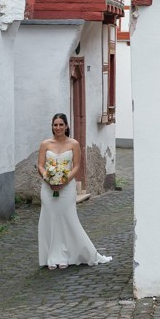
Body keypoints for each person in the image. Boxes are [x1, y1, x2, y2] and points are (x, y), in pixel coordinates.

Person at [37, 113, 112, 270]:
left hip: (67, 187)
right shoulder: (45, 144)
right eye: (55, 125)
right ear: (52, 126)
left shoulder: (73, 144)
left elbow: (76, 166)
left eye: (60, 125)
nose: (58, 128)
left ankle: (65, 254)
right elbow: (41, 165)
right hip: (48, 187)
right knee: (49, 218)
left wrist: (64, 180)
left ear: (66, 126)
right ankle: (51, 255)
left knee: (67, 218)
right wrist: (48, 178)